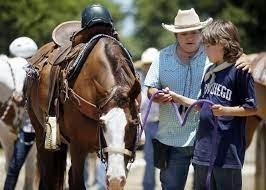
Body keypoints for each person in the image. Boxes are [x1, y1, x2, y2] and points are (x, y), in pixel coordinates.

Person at [144, 8, 251, 190]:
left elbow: (235, 53)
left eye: (194, 32)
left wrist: (245, 58)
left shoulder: (214, 52)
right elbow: (150, 88)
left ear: (201, 33)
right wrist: (157, 96)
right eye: (184, 33)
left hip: (206, 140)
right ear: (176, 35)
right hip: (171, 139)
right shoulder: (162, 57)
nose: (190, 37)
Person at [169, 19, 257, 190]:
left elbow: (252, 108)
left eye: (208, 45)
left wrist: (226, 110)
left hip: (227, 155)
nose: (204, 49)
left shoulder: (240, 71)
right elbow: (203, 105)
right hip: (202, 152)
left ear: (223, 44)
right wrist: (176, 97)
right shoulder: (210, 72)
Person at [4, 36, 38, 190]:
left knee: (14, 167)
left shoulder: (31, 71)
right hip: (33, 128)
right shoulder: (33, 69)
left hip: (31, 128)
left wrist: (20, 99)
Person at [135, 48, 160, 190]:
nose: (148, 67)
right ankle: (148, 187)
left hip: (162, 124)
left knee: (164, 159)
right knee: (149, 159)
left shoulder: (162, 80)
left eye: (151, 64)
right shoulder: (140, 83)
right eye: (147, 64)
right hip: (147, 125)